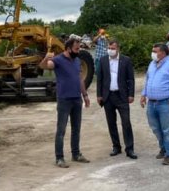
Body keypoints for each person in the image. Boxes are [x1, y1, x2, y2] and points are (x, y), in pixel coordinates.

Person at [40, 38, 91, 168]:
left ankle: (76, 154)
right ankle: (59, 158)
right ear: (68, 48)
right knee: (61, 130)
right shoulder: (58, 60)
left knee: (76, 129)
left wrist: (85, 95)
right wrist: (46, 58)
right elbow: (45, 66)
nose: (78, 51)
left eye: (79, 48)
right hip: (64, 100)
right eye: (76, 49)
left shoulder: (77, 60)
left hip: (76, 99)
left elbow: (80, 79)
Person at [140, 43, 169, 166]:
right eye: (152, 50)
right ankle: (163, 148)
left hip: (167, 103)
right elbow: (148, 80)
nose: (152, 53)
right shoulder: (152, 64)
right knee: (156, 128)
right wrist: (144, 95)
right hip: (152, 103)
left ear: (163, 53)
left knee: (168, 129)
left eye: (155, 51)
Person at [96, 40, 137, 159]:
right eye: (109, 47)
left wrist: (131, 94)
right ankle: (116, 146)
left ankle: (130, 149)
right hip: (108, 96)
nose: (110, 50)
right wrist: (99, 95)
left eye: (113, 48)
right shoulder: (103, 60)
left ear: (118, 49)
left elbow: (131, 79)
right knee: (111, 123)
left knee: (126, 123)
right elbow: (99, 79)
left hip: (122, 96)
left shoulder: (126, 60)